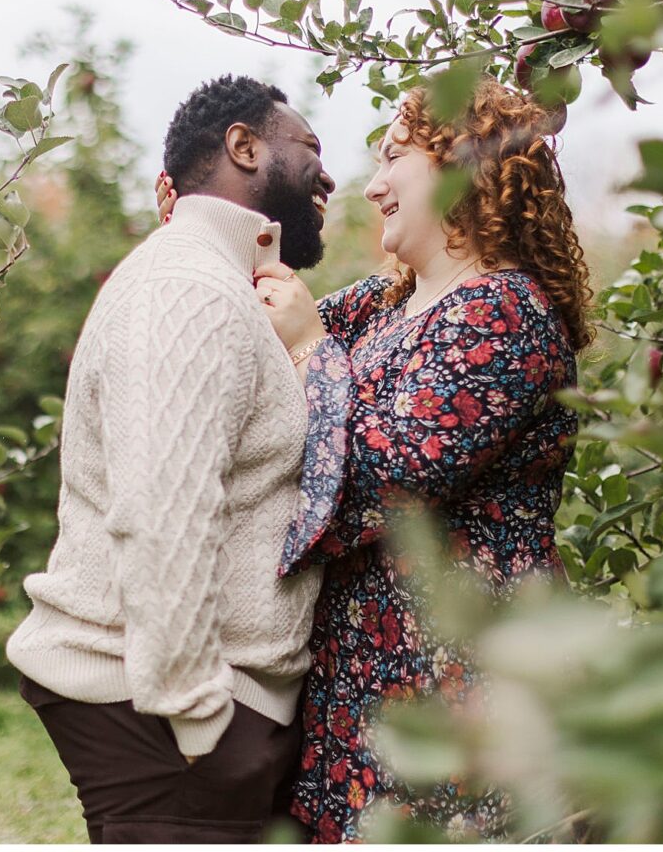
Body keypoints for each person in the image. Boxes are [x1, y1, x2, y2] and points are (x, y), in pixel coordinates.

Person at [159, 74, 591, 842]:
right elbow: (255, 352)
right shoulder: (383, 305)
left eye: (394, 157)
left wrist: (311, 349)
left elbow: (385, 474)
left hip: (465, 689)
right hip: (356, 688)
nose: (372, 185)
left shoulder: (508, 312)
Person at [7, 76, 336, 844]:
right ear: (243, 146)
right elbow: (162, 516)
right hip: (166, 721)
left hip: (184, 717)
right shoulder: (186, 288)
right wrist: (199, 721)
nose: (328, 175)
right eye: (309, 148)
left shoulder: (218, 283)